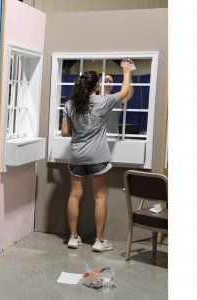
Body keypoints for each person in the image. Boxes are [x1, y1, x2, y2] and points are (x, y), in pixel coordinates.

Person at [61, 59, 135, 252]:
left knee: (74, 195)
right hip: (98, 158)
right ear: (96, 86)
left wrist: (80, 128)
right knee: (100, 197)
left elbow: (64, 132)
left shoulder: (70, 105)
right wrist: (126, 71)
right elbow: (125, 91)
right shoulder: (103, 101)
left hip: (77, 156)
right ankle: (99, 241)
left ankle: (73, 238)